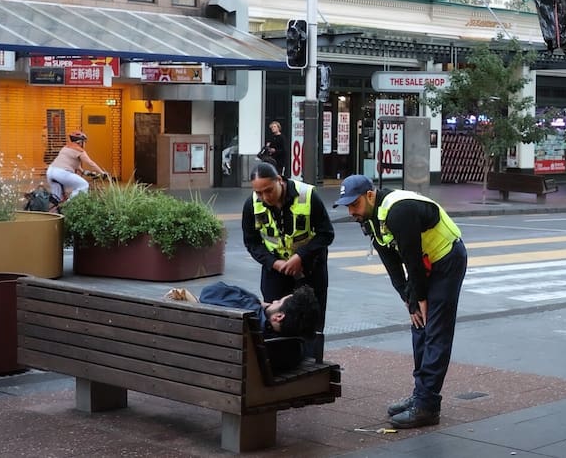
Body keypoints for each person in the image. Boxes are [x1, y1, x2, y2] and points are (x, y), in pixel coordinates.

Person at [334, 174, 468, 430]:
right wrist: (410, 302)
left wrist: (421, 299)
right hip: (426, 266)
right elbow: (393, 266)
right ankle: (421, 394)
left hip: (447, 259)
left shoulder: (398, 211)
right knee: (419, 326)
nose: (351, 211)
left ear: (370, 195)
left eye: (355, 204)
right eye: (348, 206)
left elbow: (412, 261)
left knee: (435, 330)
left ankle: (428, 406)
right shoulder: (371, 218)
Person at [242, 161, 334, 339]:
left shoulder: (307, 195)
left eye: (268, 190)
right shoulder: (252, 204)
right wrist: (274, 263)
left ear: (279, 180)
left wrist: (300, 257)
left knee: (310, 324)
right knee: (274, 323)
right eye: (258, 192)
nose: (265, 197)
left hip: (310, 270)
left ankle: (312, 361)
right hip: (275, 271)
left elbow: (326, 234)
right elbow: (252, 242)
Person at [192, 282, 321, 338]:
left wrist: (256, 302)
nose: (274, 301)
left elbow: (209, 292)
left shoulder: (250, 313)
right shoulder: (292, 348)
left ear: (279, 317)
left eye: (279, 301)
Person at [47, 131, 106, 201]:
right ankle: (68, 206)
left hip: (50, 172)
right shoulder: (79, 151)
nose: (85, 144)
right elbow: (90, 163)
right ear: (80, 142)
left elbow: (72, 163)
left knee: (57, 198)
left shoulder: (65, 148)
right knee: (83, 185)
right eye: (84, 142)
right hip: (62, 173)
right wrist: (102, 172)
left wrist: (84, 172)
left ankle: (51, 209)